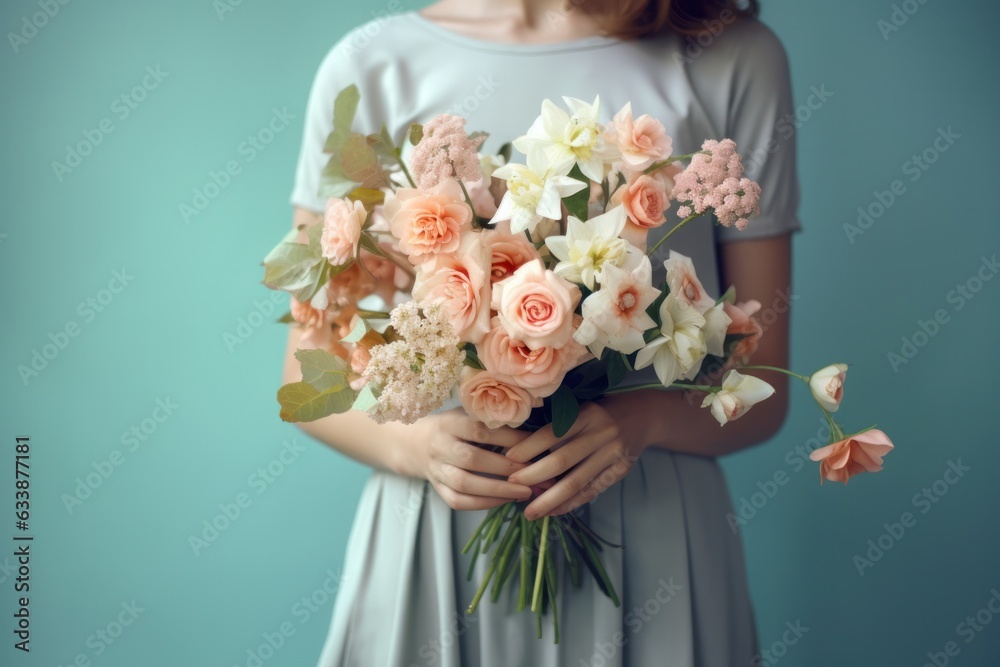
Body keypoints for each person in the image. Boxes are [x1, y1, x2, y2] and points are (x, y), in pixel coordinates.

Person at [283, 1, 800, 664]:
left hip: (654, 541)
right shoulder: (370, 65)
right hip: (440, 526)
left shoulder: (731, 55)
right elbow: (305, 372)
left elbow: (762, 384)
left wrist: (639, 420)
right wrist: (416, 445)